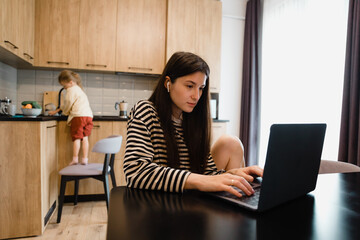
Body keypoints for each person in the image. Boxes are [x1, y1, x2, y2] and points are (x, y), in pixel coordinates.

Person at [124, 52, 263, 198]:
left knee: (232, 143)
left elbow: (208, 175)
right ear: (168, 83)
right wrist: (201, 180)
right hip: (157, 204)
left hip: (187, 202)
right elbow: (136, 171)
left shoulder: (193, 120)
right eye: (190, 86)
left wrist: (233, 175)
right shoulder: (146, 110)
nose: (196, 96)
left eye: (201, 88)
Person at [49, 70, 93, 166]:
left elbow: (68, 103)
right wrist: (58, 110)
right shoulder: (79, 89)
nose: (64, 88)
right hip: (88, 116)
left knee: (77, 138)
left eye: (64, 86)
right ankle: (85, 159)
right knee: (85, 138)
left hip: (79, 117)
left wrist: (65, 112)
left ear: (70, 82)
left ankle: (75, 159)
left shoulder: (71, 90)